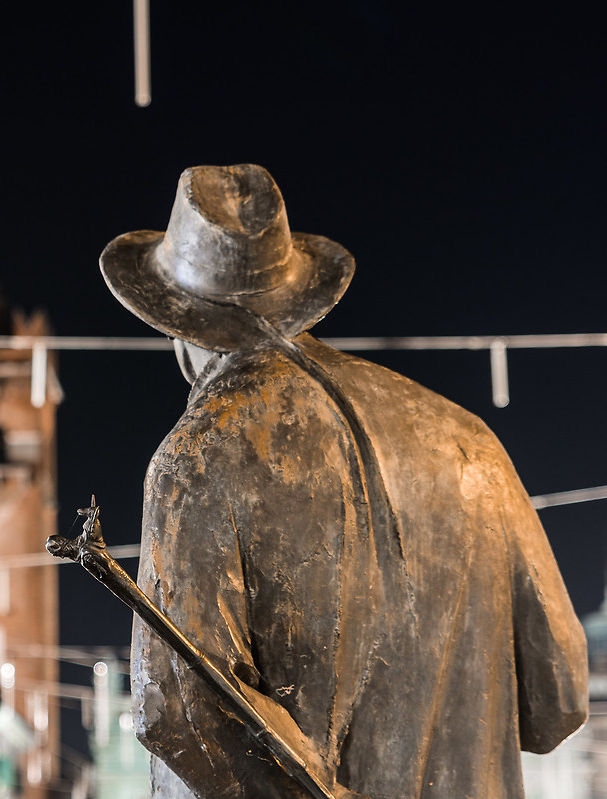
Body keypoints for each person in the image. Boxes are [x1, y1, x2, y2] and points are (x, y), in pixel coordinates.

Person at [99, 164, 588, 798]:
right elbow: (559, 698)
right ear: (297, 302)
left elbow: (178, 713)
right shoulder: (470, 445)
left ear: (180, 331)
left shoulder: (199, 457)